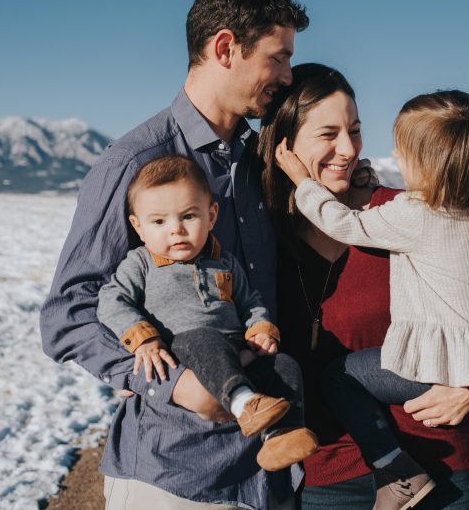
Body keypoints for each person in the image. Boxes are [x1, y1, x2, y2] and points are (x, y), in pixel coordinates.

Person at [40, 0, 309, 510]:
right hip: (175, 473)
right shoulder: (135, 162)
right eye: (277, 59)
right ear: (226, 47)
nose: (287, 75)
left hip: (269, 476)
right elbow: (67, 312)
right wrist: (177, 385)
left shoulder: (262, 163)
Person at [257, 64, 469, 510]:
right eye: (329, 134)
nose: (348, 148)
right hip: (327, 474)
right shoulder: (263, 236)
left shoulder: (399, 213)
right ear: (286, 143)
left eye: (356, 131)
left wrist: (468, 388)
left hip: (439, 464)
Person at [96, 155, 318, 471]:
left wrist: (260, 328)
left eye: (188, 216)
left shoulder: (224, 263)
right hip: (186, 349)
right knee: (203, 338)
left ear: (211, 215)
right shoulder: (141, 263)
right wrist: (143, 338)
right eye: (159, 222)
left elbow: (249, 301)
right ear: (138, 227)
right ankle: (244, 402)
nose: (176, 230)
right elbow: (111, 300)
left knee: (284, 365)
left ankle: (281, 435)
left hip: (237, 350)